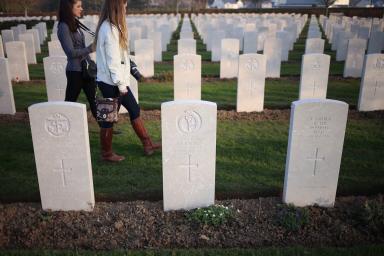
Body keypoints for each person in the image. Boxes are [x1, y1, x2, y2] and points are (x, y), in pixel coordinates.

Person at [95, 0, 161, 162]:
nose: (126, 7)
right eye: (124, 4)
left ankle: (147, 144)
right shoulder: (109, 29)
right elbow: (112, 61)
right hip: (112, 83)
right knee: (108, 119)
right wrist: (121, 85)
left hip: (117, 81)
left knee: (134, 110)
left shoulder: (113, 27)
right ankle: (107, 154)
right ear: (117, 6)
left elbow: (121, 57)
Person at [57, 0, 97, 119]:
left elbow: (81, 46)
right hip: (75, 72)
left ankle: (106, 129)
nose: (81, 9)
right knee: (69, 102)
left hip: (86, 70)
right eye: (78, 6)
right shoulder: (63, 26)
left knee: (95, 101)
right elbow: (70, 53)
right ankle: (63, 127)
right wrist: (90, 49)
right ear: (69, 8)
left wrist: (90, 62)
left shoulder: (75, 23)